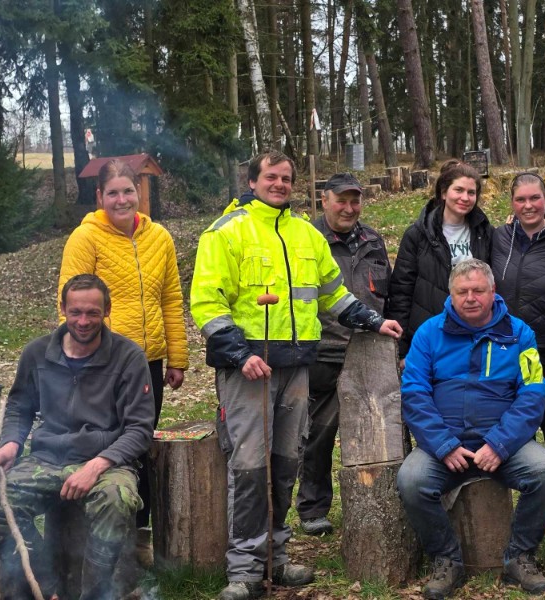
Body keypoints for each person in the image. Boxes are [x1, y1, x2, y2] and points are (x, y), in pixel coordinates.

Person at [190, 151, 402, 600]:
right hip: (249, 368)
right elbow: (207, 302)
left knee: (286, 464)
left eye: (286, 178)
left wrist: (373, 321)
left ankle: (276, 556)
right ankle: (245, 570)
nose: (280, 184)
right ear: (252, 181)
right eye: (272, 177)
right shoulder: (226, 232)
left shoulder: (305, 234)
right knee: (250, 467)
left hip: (297, 366)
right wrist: (238, 354)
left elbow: (333, 294)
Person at [0, 274, 155, 600]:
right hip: (46, 459)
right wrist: (11, 443)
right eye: (76, 312)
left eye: (92, 313)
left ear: (107, 311)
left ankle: (96, 594)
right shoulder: (37, 353)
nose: (83, 321)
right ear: (63, 309)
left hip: (106, 462)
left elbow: (139, 428)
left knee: (116, 499)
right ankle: (45, 586)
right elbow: (19, 407)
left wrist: (96, 465)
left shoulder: (129, 357)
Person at [397, 259, 545, 598]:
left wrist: (500, 444)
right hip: (445, 445)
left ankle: (520, 558)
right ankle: (447, 560)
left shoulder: (520, 334)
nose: (470, 298)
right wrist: (443, 444)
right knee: (412, 481)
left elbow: (533, 393)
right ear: (451, 294)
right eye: (462, 292)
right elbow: (414, 393)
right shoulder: (428, 333)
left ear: (493, 291)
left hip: (505, 444)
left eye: (478, 290)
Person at [58, 159, 188, 563]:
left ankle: (140, 535)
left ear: (139, 192)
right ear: (100, 197)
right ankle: (97, 538)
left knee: (140, 443)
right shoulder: (85, 238)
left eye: (128, 191)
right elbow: (71, 304)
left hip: (148, 363)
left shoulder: (159, 238)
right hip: (101, 365)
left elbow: (171, 298)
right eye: (112, 192)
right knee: (105, 443)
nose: (121, 199)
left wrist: (177, 356)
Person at [296, 173, 391, 536]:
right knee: (319, 435)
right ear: (325, 200)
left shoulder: (372, 240)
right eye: (342, 201)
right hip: (325, 350)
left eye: (355, 201)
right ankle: (313, 508)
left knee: (376, 429)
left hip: (370, 350)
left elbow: (388, 291)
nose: (349, 208)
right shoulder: (308, 238)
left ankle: (377, 506)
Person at [491, 172, 545, 451]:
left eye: (534, 198)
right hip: (506, 352)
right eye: (520, 200)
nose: (528, 206)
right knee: (514, 432)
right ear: (511, 203)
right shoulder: (500, 237)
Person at [388, 160, 491, 362]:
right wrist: (401, 350)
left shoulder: (485, 233)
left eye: (471, 192)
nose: (465, 197)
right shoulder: (418, 235)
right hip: (427, 338)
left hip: (473, 336)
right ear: (444, 193)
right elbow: (401, 292)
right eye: (458, 190)